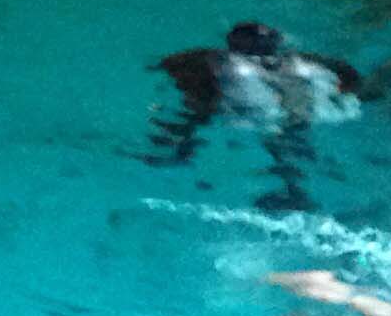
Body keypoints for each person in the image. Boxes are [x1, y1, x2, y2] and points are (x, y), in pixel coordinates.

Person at [150, 24, 372, 213]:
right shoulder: (306, 63)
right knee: (288, 142)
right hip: (308, 113)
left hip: (248, 113)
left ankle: (179, 148)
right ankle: (294, 192)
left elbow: (168, 65)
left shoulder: (216, 60)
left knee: (197, 111)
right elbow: (351, 81)